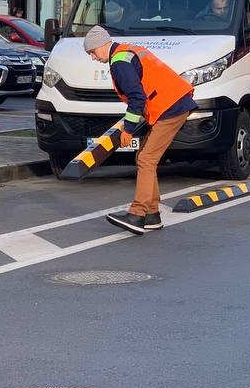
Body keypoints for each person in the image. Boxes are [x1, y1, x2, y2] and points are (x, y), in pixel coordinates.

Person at [83, 25, 196, 235]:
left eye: (92, 52)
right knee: (144, 156)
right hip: (173, 104)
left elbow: (137, 98)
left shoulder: (119, 62)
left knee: (146, 159)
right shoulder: (127, 51)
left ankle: (137, 213)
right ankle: (152, 215)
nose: (93, 57)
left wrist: (128, 130)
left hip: (170, 108)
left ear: (100, 45)